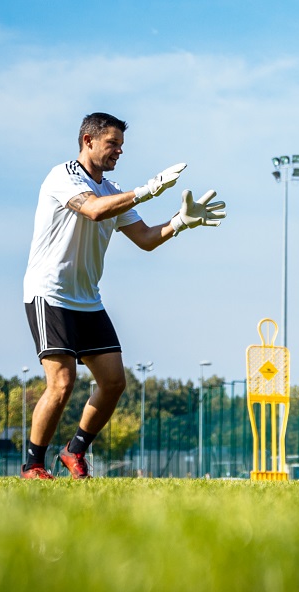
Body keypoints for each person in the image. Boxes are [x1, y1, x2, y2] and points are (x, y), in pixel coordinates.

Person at [21, 113, 225, 479]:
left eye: (121, 145)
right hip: (49, 293)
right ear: (88, 140)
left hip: (87, 299)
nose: (119, 151)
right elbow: (94, 211)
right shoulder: (62, 177)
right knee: (62, 383)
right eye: (112, 143)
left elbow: (145, 239)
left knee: (114, 383)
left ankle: (74, 451)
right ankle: (33, 465)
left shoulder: (113, 191)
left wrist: (179, 222)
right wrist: (148, 189)